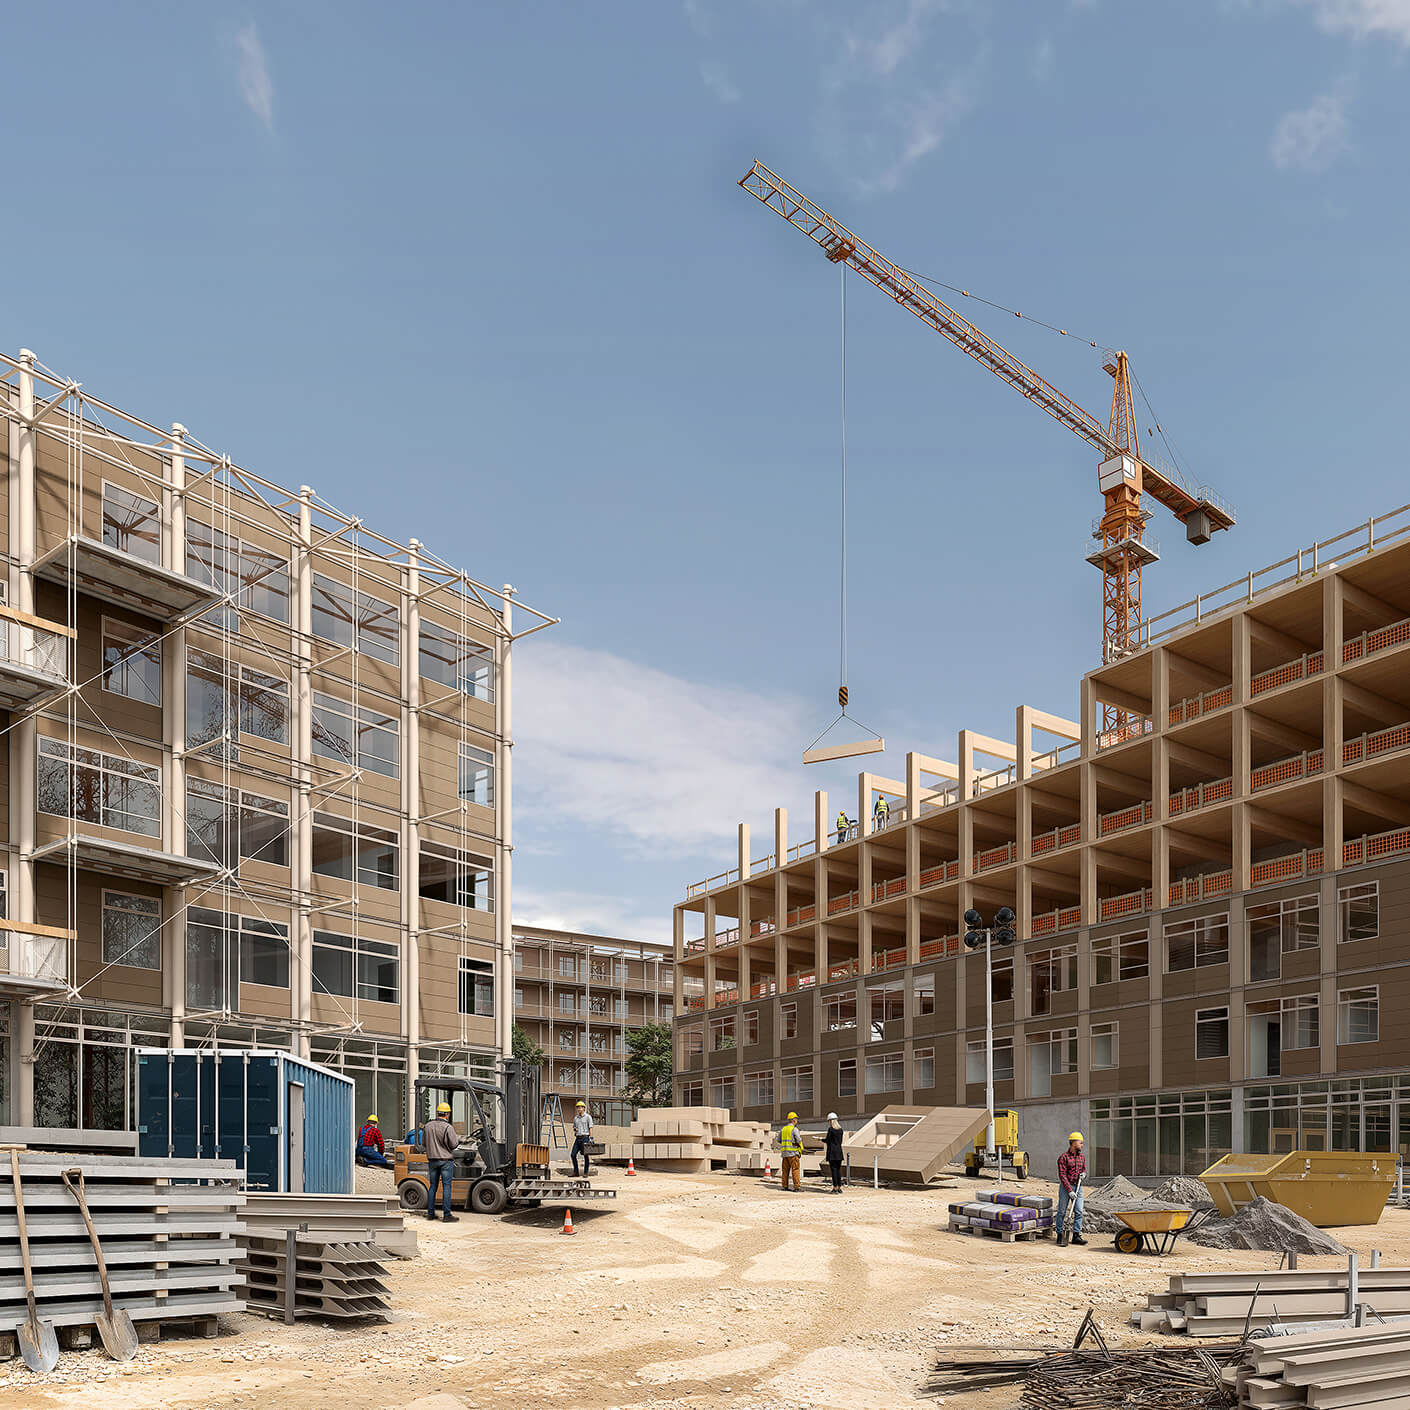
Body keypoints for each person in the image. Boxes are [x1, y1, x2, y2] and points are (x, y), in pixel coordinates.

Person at [423, 1102, 461, 1223]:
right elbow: (454, 1144)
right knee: (446, 1186)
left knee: (432, 1186)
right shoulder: (448, 1127)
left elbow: (424, 1143)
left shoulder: (428, 1126)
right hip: (445, 1161)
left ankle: (430, 1213)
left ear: (438, 1112)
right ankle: (447, 1215)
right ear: (447, 1114)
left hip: (432, 1160)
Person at [1056, 1131, 1087, 1247]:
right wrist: (1069, 1190)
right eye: (1081, 1143)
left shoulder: (1082, 1157)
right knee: (1062, 1211)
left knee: (1079, 1211)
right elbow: (1062, 1175)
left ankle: (1076, 1236)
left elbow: (1083, 1169)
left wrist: (1084, 1174)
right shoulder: (1063, 1158)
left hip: (1078, 1187)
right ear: (1074, 1143)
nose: (1082, 1145)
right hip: (1066, 1187)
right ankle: (1060, 1234)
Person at [779, 1111, 804, 1192]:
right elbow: (798, 1140)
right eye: (796, 1119)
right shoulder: (794, 1129)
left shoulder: (783, 1129)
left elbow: (778, 1140)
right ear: (793, 1120)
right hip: (793, 1153)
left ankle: (784, 1186)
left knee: (785, 1170)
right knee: (795, 1169)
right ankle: (796, 1187)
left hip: (784, 1154)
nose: (797, 1121)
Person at [570, 1101, 595, 1177]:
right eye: (578, 1107)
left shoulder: (588, 1117)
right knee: (573, 1154)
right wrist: (575, 1129)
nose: (579, 1109)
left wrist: (591, 1138)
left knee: (585, 1155)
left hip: (585, 1138)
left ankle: (585, 1172)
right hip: (578, 1138)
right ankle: (576, 1172)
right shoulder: (576, 1118)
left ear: (584, 1108)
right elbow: (574, 1127)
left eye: (581, 1107)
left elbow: (590, 1128)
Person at [824, 1112, 845, 1193]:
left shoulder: (831, 1129)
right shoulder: (840, 1130)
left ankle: (835, 1187)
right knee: (838, 1170)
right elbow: (839, 1141)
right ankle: (839, 1187)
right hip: (839, 1152)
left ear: (830, 1121)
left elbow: (828, 1140)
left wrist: (820, 1139)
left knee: (833, 1170)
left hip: (832, 1153)